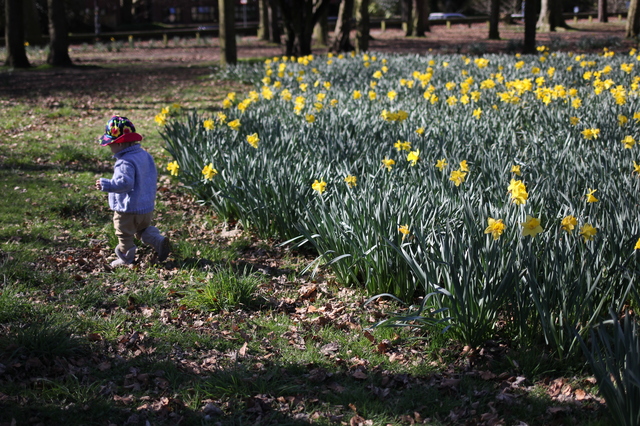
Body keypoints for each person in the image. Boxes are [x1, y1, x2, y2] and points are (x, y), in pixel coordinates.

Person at [95, 116, 171, 267]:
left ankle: (125, 259)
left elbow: (125, 183)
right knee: (141, 229)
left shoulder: (124, 162)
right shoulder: (144, 155)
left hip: (128, 209)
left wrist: (107, 185)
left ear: (120, 144)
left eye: (111, 144)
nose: (110, 148)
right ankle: (157, 240)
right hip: (146, 207)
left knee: (123, 233)